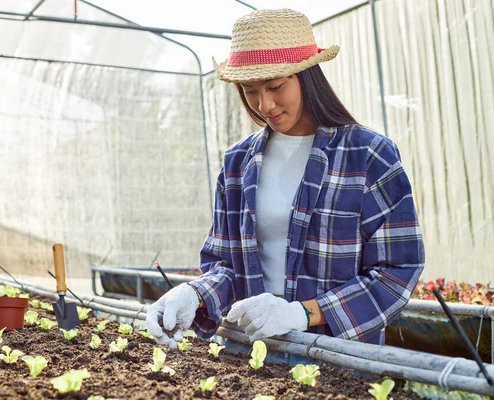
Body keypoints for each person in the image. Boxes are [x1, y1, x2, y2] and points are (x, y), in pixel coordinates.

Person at [146, 8, 425, 349]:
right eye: (249, 90)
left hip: (341, 359)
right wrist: (193, 293)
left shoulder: (367, 155)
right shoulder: (237, 164)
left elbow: (396, 271)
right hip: (255, 356)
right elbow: (225, 265)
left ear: (307, 75)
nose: (264, 104)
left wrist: (303, 314)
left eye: (275, 86)